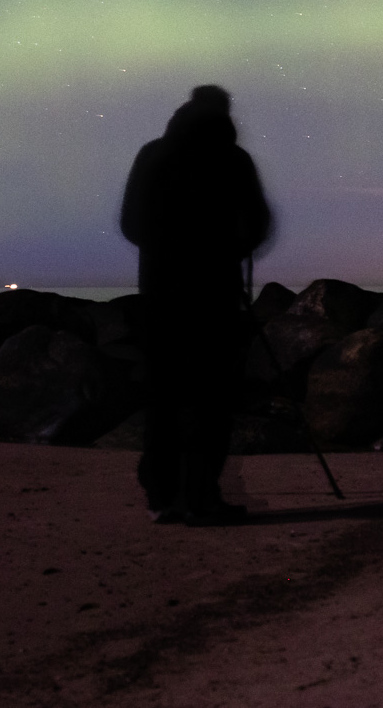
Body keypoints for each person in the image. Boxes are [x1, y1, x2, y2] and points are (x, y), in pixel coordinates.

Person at [119, 84, 274, 525]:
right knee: (211, 397)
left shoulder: (153, 154)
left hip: (161, 293)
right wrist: (230, 251)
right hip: (216, 293)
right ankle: (203, 495)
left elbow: (132, 222)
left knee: (164, 395)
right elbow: (258, 223)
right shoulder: (234, 159)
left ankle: (161, 496)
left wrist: (165, 251)